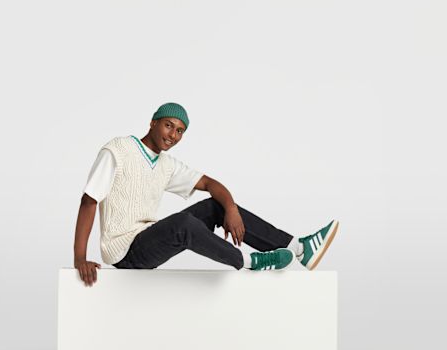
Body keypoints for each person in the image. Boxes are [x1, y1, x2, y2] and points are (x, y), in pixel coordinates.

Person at [74, 102, 339, 286]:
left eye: (179, 131)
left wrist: (230, 209)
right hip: (125, 254)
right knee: (183, 224)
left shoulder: (166, 164)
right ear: (153, 123)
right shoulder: (118, 150)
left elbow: (211, 183)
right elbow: (89, 201)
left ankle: (298, 248)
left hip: (149, 238)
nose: (173, 135)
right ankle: (250, 261)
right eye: (168, 125)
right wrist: (80, 259)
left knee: (216, 205)